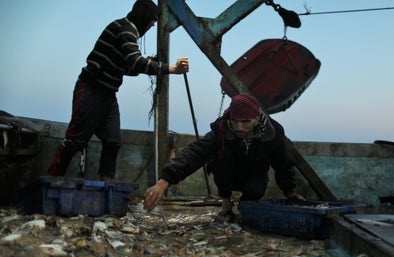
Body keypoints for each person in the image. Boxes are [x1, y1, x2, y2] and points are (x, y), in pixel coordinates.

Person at [48, 0, 189, 180]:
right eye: (152, 20)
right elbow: (135, 62)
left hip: (108, 94)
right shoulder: (125, 29)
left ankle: (107, 187)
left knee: (113, 141)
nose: (153, 24)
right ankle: (51, 181)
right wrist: (171, 69)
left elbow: (129, 68)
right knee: (75, 141)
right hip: (91, 89)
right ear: (143, 17)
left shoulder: (130, 33)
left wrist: (152, 63)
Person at [143, 94, 305, 222]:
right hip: (228, 173)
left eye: (246, 122)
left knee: (253, 193)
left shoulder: (272, 134)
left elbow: (283, 163)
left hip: (255, 175)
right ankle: (226, 205)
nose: (239, 127)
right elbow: (195, 153)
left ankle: (246, 204)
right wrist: (164, 181)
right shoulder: (221, 130)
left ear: (256, 120)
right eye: (235, 121)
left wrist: (290, 192)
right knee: (221, 158)